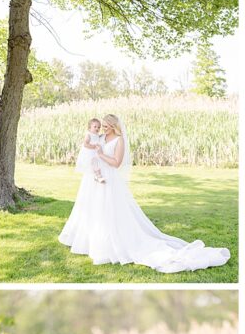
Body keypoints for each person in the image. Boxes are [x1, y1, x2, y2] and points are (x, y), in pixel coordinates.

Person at [58, 114, 229, 273]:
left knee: (110, 210)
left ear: (113, 126)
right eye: (101, 126)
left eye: (106, 126)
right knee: (93, 209)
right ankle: (93, 241)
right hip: (95, 178)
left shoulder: (119, 140)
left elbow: (116, 163)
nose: (102, 128)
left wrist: (101, 155)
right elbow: (88, 144)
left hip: (109, 178)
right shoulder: (101, 137)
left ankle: (112, 243)